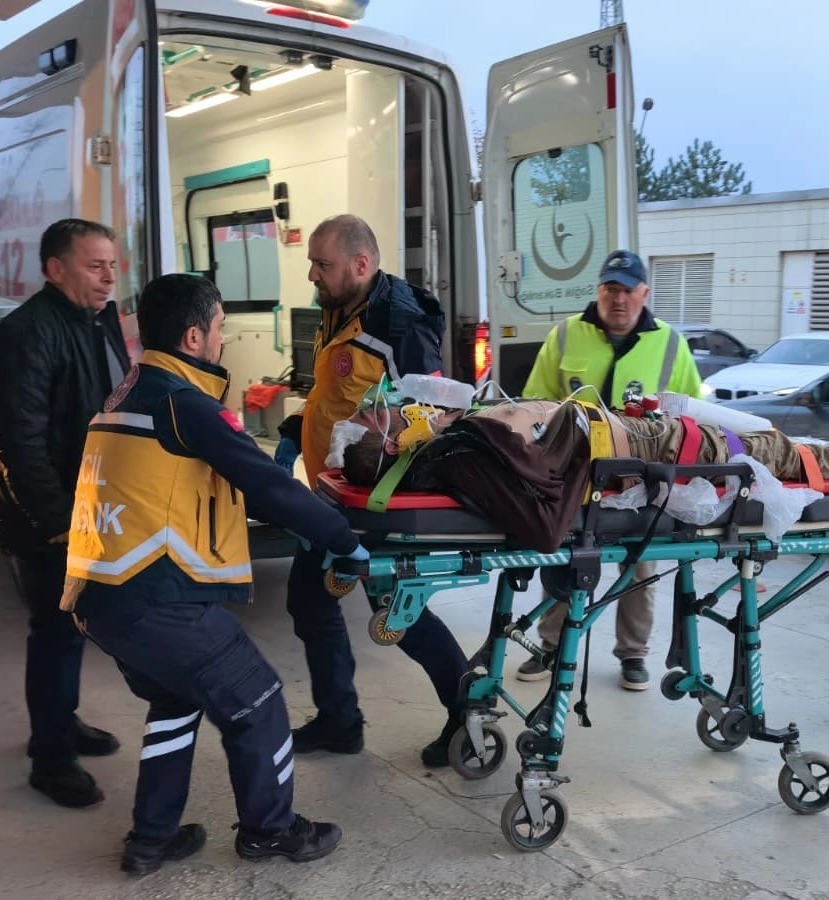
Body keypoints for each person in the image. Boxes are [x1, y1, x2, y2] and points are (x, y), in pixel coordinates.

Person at [64, 274, 366, 875]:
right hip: (156, 599)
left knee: (176, 702)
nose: (223, 340)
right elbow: (267, 483)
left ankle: (151, 840)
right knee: (258, 699)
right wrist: (341, 538)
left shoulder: (124, 396)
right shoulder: (184, 405)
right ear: (193, 336)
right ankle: (269, 830)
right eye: (221, 327)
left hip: (99, 596)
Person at [272, 214, 470, 768]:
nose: (312, 274)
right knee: (308, 600)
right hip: (329, 495)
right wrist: (294, 432)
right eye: (312, 262)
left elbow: (431, 416)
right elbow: (338, 394)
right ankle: (340, 722)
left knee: (398, 614)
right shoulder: (340, 307)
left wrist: (385, 499)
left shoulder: (400, 325)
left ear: (361, 264)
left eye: (322, 264)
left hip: (374, 500)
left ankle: (468, 714)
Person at [0, 219, 131, 808]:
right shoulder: (24, 334)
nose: (109, 276)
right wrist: (59, 524)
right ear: (55, 268)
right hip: (47, 518)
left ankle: (61, 722)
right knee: (54, 630)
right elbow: (19, 443)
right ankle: (50, 759)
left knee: (72, 630)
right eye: (95, 265)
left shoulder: (99, 322)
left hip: (92, 509)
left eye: (112, 265)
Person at [515, 249, 704, 691]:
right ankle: (551, 646)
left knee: (640, 566)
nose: (619, 299)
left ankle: (632, 654)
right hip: (575, 473)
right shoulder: (566, 335)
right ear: (599, 291)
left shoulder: (670, 344)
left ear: (644, 294)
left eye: (628, 291)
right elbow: (535, 402)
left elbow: (693, 413)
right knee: (565, 558)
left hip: (643, 476)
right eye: (610, 289)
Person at [337, 395, 829, 492]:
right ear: (393, 446)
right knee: (764, 454)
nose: (387, 410)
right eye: (380, 418)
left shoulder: (450, 439)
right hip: (645, 450)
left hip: (629, 431)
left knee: (757, 437)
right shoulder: (457, 450)